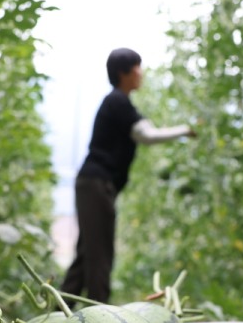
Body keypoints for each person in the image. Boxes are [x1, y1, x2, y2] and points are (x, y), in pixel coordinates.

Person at [60, 48, 195, 304]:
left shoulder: (120, 103)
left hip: (92, 184)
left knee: (87, 255)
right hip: (96, 185)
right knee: (100, 257)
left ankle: (57, 315)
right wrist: (184, 131)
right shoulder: (117, 101)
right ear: (125, 72)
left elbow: (145, 131)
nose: (141, 73)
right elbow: (147, 135)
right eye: (137, 68)